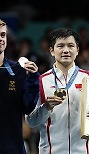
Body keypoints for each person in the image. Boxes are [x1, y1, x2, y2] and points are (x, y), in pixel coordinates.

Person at [25, 28, 89, 154]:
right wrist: (46, 107)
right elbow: (31, 121)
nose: (66, 50)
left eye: (71, 46)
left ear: (77, 50)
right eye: (60, 46)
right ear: (52, 51)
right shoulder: (41, 81)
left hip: (83, 151)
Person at [0, 19, 39, 153]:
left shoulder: (17, 70)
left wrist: (33, 78)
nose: (1, 39)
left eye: (3, 35)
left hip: (12, 147)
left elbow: (27, 107)